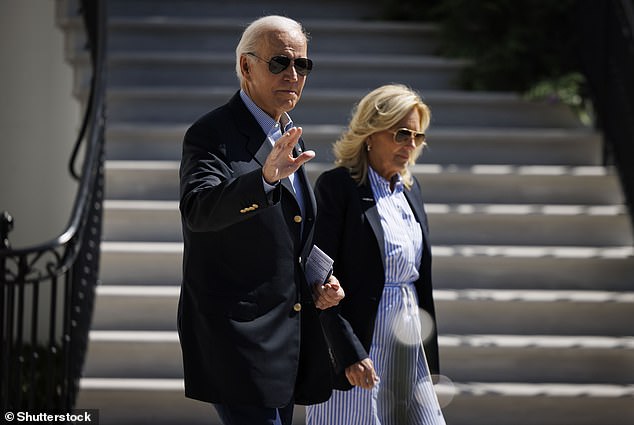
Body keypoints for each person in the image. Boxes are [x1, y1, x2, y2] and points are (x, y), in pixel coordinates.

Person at [177, 15, 344, 425]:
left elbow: (288, 230)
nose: (293, 74)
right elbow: (198, 209)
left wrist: (315, 281)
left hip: (284, 338)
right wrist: (264, 178)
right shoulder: (211, 133)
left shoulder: (288, 132)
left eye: (302, 65)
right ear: (246, 67)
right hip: (237, 337)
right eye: (279, 63)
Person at [306, 84, 446, 425]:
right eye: (401, 133)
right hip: (361, 342)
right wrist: (348, 353)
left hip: (409, 340)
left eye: (417, 137)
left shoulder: (411, 192)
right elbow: (318, 278)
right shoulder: (339, 186)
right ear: (370, 134)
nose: (410, 145)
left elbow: (420, 281)